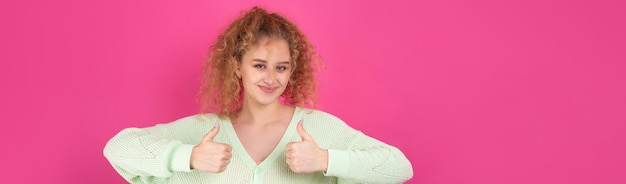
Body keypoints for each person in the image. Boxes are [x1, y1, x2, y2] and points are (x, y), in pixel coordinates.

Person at [104, 6, 413, 184]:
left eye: (281, 68)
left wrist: (326, 159)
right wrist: (190, 156)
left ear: (292, 71)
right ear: (238, 66)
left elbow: (399, 167)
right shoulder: (205, 132)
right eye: (259, 65)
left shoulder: (316, 129)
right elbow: (118, 147)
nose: (270, 78)